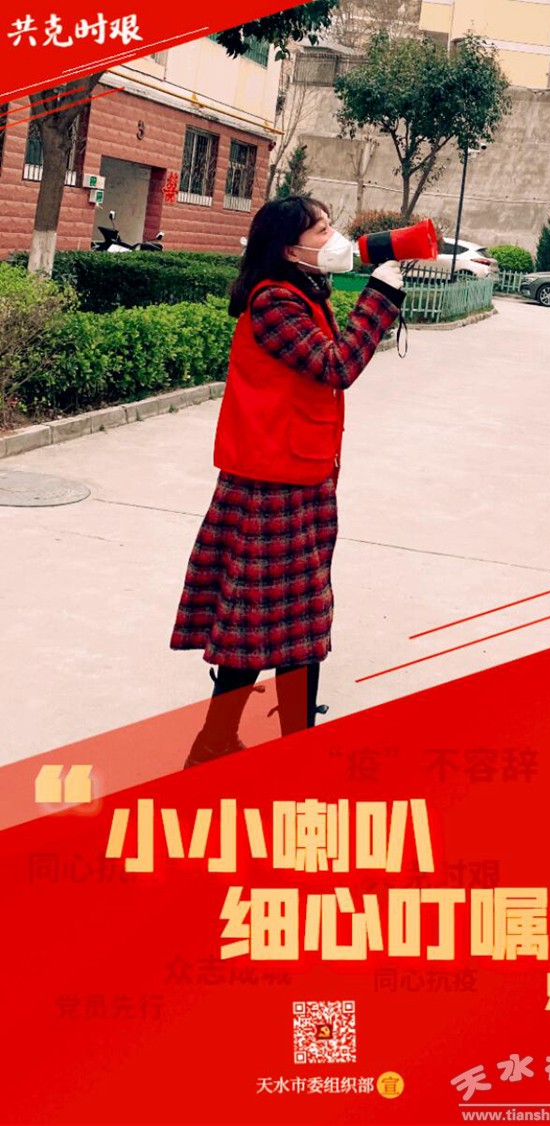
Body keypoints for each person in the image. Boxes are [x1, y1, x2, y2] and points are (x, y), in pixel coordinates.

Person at [170, 195, 405, 768]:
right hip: (273, 485)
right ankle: (252, 748)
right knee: (281, 625)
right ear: (288, 247)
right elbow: (337, 366)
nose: (333, 237)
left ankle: (220, 742)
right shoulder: (274, 302)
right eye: (320, 229)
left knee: (273, 624)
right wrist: (380, 296)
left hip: (293, 476)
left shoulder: (301, 291)